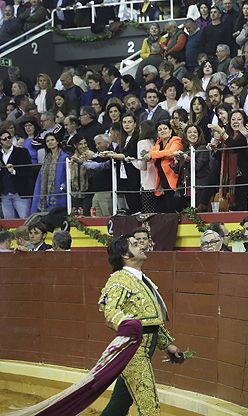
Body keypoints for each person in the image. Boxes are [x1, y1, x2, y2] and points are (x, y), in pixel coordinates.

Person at [100, 234, 185, 414]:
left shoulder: (140, 279)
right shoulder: (120, 279)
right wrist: (126, 324)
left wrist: (167, 344)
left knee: (119, 404)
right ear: (125, 255)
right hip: (134, 351)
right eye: (133, 244)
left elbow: (150, 320)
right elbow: (110, 311)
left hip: (141, 349)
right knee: (149, 407)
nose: (141, 245)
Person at [143, 122, 183, 213]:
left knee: (173, 209)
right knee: (163, 210)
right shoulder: (158, 144)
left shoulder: (176, 140)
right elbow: (148, 155)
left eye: (165, 128)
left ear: (170, 131)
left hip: (174, 181)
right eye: (160, 130)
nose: (162, 131)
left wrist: (152, 154)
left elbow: (171, 152)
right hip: (162, 181)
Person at [31, 133, 68, 214]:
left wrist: (63, 187)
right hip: (46, 194)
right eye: (47, 141)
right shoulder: (46, 159)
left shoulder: (65, 157)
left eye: (52, 140)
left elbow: (68, 176)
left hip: (60, 194)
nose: (50, 142)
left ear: (57, 141)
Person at [0, 128, 33, 218]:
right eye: (4, 139)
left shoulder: (22, 152)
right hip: (4, 194)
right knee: (8, 224)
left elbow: (29, 170)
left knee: (24, 222)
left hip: (20, 193)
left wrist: (14, 171)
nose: (7, 140)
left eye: (9, 137)